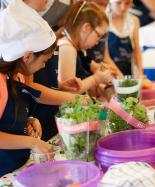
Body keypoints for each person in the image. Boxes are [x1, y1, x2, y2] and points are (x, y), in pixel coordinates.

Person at [0, 0, 79, 176]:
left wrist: (27, 121)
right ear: (27, 57)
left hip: (16, 168)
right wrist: (32, 142)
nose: (44, 67)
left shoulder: (17, 75)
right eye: (44, 61)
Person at [58, 1, 113, 94]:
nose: (97, 42)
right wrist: (95, 79)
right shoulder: (67, 49)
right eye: (98, 35)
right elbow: (67, 93)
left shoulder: (78, 49)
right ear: (86, 27)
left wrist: (97, 71)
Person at [108, 0, 143, 77]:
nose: (123, 7)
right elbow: (104, 56)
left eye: (127, 3)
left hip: (128, 69)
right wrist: (119, 75)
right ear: (110, 2)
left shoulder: (134, 21)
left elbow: (137, 49)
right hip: (109, 72)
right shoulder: (104, 20)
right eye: (118, 3)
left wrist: (140, 73)